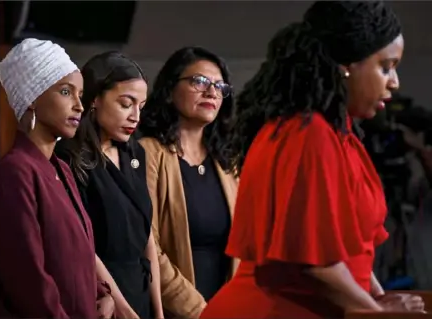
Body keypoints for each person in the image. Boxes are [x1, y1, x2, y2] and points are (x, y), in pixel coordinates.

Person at [200, 2, 426, 318]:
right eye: (386, 66)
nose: (395, 82)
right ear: (346, 65)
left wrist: (378, 299)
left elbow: (351, 251)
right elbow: (314, 262)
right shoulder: (308, 134)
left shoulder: (338, 132)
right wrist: (376, 310)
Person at [0, 38, 114, 318]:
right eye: (66, 92)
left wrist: (103, 295)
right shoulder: (13, 174)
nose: (79, 105)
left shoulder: (61, 169)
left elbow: (79, 253)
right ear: (31, 98)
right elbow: (29, 283)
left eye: (80, 94)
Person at [56, 51, 163, 319]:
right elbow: (83, 246)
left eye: (142, 105)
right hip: (102, 294)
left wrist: (159, 312)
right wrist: (124, 309)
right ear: (94, 100)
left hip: (140, 288)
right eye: (126, 104)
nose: (136, 116)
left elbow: (147, 237)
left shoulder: (135, 153)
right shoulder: (69, 158)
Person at [138, 47, 239, 318]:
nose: (212, 92)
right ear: (170, 91)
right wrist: (199, 311)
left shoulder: (228, 164)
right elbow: (148, 247)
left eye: (219, 86)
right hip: (175, 310)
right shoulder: (148, 152)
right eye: (200, 82)